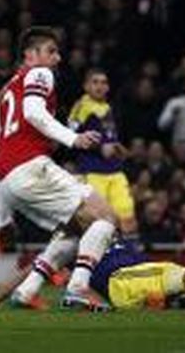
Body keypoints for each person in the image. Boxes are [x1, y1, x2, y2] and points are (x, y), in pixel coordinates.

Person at [0, 26, 117, 311]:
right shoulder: (39, 73)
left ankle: (27, 291)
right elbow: (34, 113)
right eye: (51, 51)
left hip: (9, 180)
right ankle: (78, 288)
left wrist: (2, 217)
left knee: (74, 229)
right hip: (31, 168)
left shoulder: (6, 90)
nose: (57, 58)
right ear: (30, 55)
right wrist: (74, 139)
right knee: (105, 216)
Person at [0, 237, 185, 311]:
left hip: (140, 279)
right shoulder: (71, 245)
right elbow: (28, 272)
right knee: (184, 274)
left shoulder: (108, 233)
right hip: (123, 281)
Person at [69, 69, 138, 241]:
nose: (100, 86)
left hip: (115, 170)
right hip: (92, 171)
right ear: (86, 86)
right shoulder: (81, 107)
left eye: (103, 82)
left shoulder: (107, 108)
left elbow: (108, 137)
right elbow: (69, 136)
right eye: (95, 82)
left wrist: (118, 147)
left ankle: (129, 256)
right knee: (98, 219)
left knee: (127, 215)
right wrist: (99, 148)